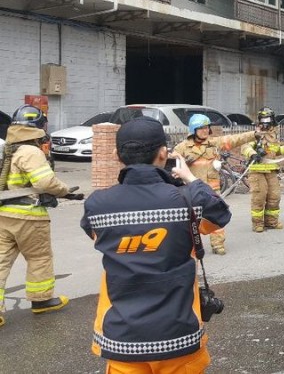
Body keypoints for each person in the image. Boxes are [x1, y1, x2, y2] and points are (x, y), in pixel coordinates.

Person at [81, 116, 231, 372]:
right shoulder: (187, 200)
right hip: (179, 334)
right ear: (164, 153)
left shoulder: (97, 204)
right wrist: (190, 179)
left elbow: (96, 234)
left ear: (118, 156)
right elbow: (219, 215)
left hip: (122, 339)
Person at [0, 105, 77, 328]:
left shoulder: (8, 150)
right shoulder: (31, 152)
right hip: (29, 216)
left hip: (4, 214)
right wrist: (64, 190)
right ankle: (42, 300)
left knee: (1, 261)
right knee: (39, 258)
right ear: (37, 127)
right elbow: (44, 183)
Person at [174, 114, 256, 255]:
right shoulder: (182, 148)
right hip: (192, 190)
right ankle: (189, 247)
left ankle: (218, 245)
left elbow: (235, 139)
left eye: (207, 128)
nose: (205, 131)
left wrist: (254, 134)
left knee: (215, 217)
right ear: (194, 130)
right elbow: (172, 166)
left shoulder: (214, 144)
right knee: (190, 220)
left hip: (212, 189)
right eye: (202, 128)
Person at [240, 107, 284, 233]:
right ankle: (257, 223)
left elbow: (276, 151)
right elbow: (244, 147)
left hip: (271, 170)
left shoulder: (273, 135)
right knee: (259, 197)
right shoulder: (255, 135)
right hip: (257, 171)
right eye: (263, 119)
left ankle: (271, 222)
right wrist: (252, 154)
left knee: (274, 196)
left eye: (268, 119)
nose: (265, 122)